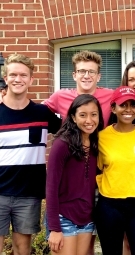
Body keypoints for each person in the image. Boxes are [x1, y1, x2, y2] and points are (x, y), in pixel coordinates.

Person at [0, 54, 61, 255]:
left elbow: (72, 129)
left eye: (23, 75)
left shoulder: (42, 113)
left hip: (28, 193)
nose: (18, 79)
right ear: (6, 78)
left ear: (31, 79)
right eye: (13, 75)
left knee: (22, 249)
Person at [95, 86, 135, 255]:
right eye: (123, 105)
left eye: (133, 105)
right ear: (113, 108)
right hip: (109, 205)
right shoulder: (101, 136)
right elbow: (98, 169)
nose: (128, 110)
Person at [46, 94, 104, 255]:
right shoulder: (62, 144)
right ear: (73, 117)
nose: (89, 120)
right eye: (83, 115)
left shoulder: (96, 144)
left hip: (87, 217)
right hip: (63, 216)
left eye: (94, 114)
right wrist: (54, 228)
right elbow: (51, 188)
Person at [44, 50, 113, 126]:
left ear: (98, 77)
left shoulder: (111, 96)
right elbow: (37, 110)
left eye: (92, 72)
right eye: (82, 71)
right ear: (74, 76)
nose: (86, 76)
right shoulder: (60, 96)